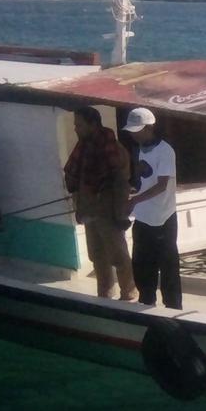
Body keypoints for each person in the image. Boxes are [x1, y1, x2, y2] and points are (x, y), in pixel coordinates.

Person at [63, 105, 135, 301]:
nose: (76, 129)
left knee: (119, 257)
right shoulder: (83, 147)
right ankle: (105, 296)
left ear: (93, 125)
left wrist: (120, 214)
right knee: (97, 257)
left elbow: (121, 185)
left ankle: (129, 295)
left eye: (79, 124)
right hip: (89, 211)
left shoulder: (113, 150)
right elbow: (76, 180)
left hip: (108, 212)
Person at [125, 107, 182, 309]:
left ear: (149, 128)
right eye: (131, 130)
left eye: (137, 130)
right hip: (143, 217)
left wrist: (135, 200)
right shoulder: (139, 148)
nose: (133, 134)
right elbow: (142, 178)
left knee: (168, 266)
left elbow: (162, 184)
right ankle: (146, 301)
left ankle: (173, 307)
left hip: (163, 218)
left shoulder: (165, 150)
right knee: (141, 263)